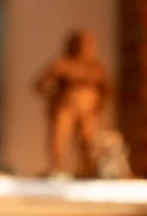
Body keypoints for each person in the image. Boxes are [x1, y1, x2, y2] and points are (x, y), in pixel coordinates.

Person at [34, 28, 112, 177]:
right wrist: (53, 95)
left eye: (89, 45)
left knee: (88, 140)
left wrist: (100, 104)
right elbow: (39, 84)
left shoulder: (96, 68)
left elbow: (107, 89)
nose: (86, 48)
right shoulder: (62, 64)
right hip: (66, 107)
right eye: (82, 44)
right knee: (59, 137)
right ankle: (57, 166)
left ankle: (88, 167)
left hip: (88, 110)